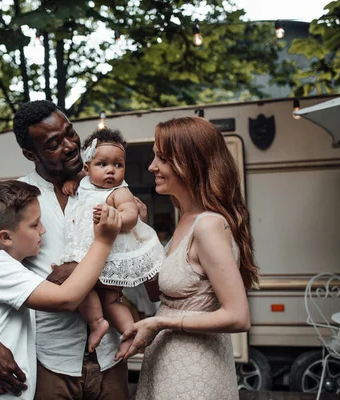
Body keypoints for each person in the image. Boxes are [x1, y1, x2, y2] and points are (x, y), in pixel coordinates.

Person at [0, 100, 130, 399]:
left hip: (111, 357)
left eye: (70, 133)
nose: (70, 146)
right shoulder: (16, 203)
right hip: (48, 365)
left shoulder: (109, 188)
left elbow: (140, 255)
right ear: (30, 154)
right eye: (53, 144)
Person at [119, 117, 260, 400]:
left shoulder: (208, 225)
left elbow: (238, 317)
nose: (152, 167)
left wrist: (160, 324)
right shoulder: (186, 219)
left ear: (189, 163)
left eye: (162, 158)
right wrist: (141, 234)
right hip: (170, 365)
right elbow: (156, 293)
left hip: (195, 371)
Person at [0, 180, 121, 399]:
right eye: (35, 224)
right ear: (6, 237)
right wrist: (104, 241)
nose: (43, 230)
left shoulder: (9, 267)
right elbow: (67, 299)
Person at [58, 128, 164, 358]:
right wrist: (70, 182)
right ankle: (98, 323)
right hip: (87, 254)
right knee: (81, 287)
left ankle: (129, 333)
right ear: (86, 167)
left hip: (111, 256)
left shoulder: (119, 191)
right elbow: (77, 184)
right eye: (102, 164)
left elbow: (131, 215)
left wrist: (115, 219)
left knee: (111, 299)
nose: (111, 171)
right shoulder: (83, 183)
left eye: (118, 165)